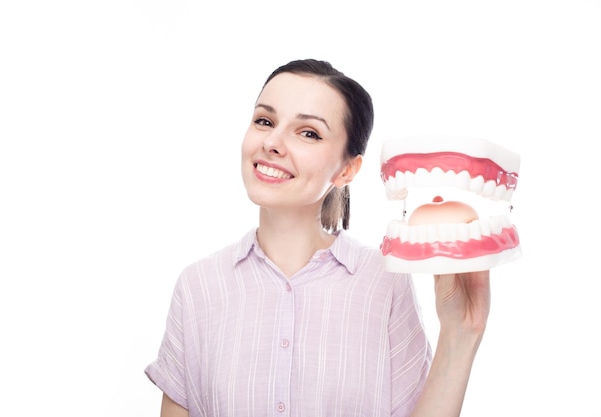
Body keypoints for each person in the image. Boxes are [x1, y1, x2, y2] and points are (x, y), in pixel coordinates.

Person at [144, 59, 490, 417]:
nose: (273, 143)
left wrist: (461, 334)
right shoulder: (199, 286)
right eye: (265, 121)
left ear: (347, 169)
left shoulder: (384, 282)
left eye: (308, 132)